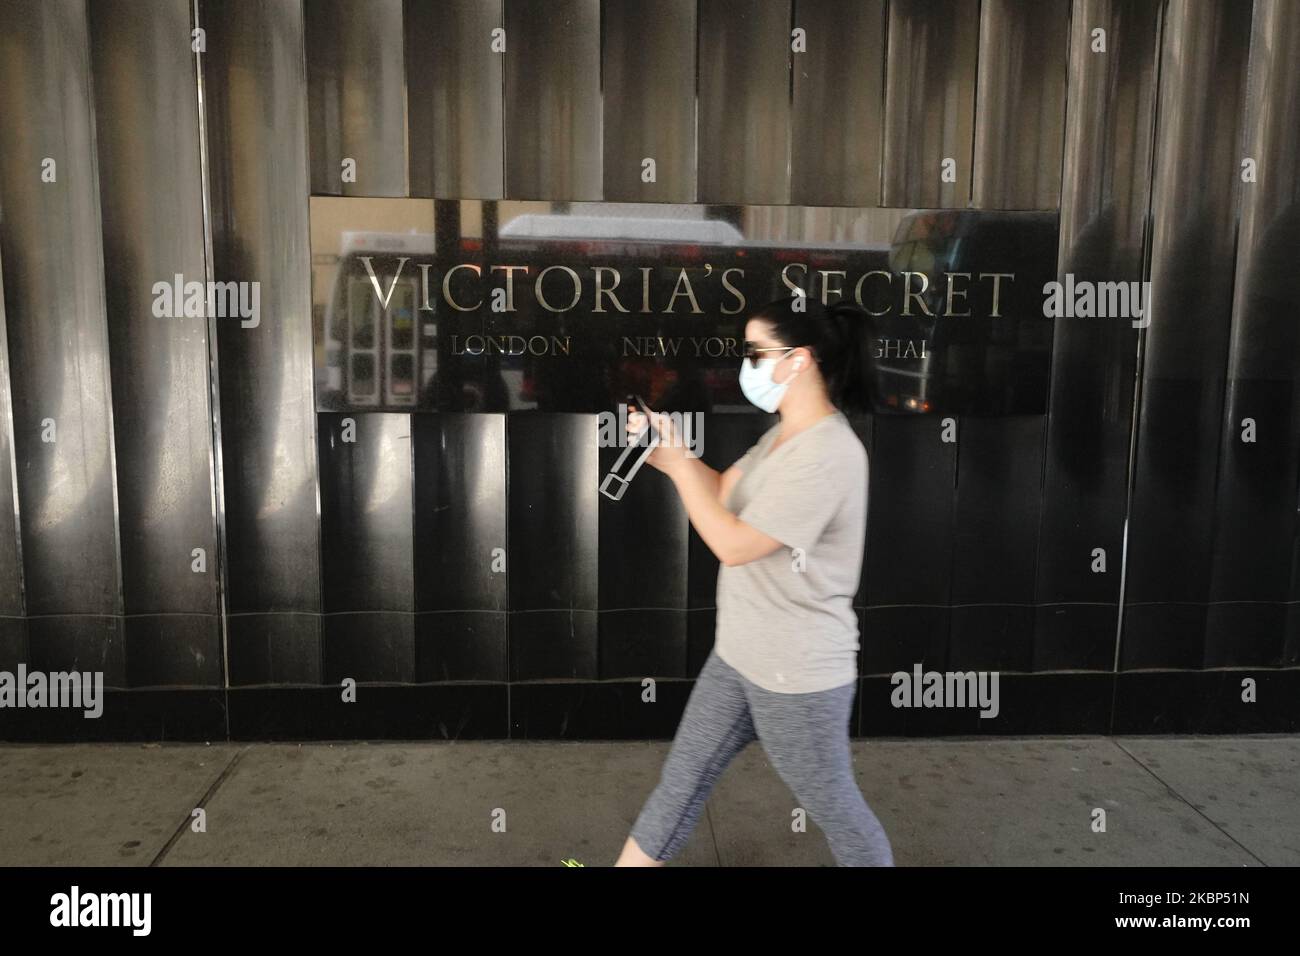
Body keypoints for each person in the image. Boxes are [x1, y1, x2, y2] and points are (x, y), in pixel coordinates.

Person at [614, 293, 894, 867]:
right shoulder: (781, 437)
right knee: (682, 783)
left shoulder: (829, 453)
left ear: (800, 359)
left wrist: (678, 468)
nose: (748, 364)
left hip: (798, 676)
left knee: (839, 812)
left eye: (757, 351)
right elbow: (720, 492)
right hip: (740, 656)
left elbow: (735, 543)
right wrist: (670, 455)